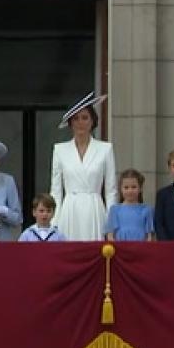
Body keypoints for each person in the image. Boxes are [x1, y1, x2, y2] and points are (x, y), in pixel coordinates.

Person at [50, 92, 117, 241]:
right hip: (70, 209)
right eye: (76, 118)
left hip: (94, 208)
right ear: (70, 122)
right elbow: (56, 190)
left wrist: (111, 223)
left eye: (85, 118)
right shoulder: (60, 150)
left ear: (93, 121)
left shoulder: (105, 149)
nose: (81, 122)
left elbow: (111, 191)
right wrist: (55, 221)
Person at [105, 168, 154, 241]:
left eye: (134, 187)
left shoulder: (147, 210)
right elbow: (110, 235)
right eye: (126, 187)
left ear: (140, 188)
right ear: (121, 189)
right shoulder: (114, 210)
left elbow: (150, 236)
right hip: (120, 249)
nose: (130, 191)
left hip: (140, 249)